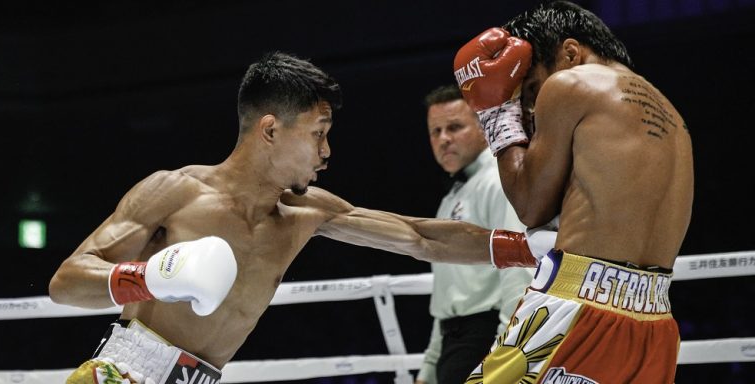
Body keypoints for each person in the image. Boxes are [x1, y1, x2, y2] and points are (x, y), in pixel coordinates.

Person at [49, 51, 542, 384]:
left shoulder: (306, 211)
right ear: (270, 130)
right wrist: (147, 277)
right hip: (124, 373)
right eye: (317, 133)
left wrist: (533, 249)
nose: (326, 151)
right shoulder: (176, 192)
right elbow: (67, 282)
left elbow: (419, 237)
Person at [453, 1, 693, 383]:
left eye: (531, 88)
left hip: (578, 305)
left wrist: (498, 114)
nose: (530, 106)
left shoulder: (571, 83)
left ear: (569, 52)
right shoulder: (673, 117)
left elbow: (530, 206)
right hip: (655, 325)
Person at [415, 85, 532, 384]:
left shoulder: (498, 182)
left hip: (485, 339)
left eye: (454, 127)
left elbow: (518, 272)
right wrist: (428, 370)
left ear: (482, 128)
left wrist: (506, 352)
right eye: (435, 131)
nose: (444, 139)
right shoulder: (451, 198)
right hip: (456, 345)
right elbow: (448, 297)